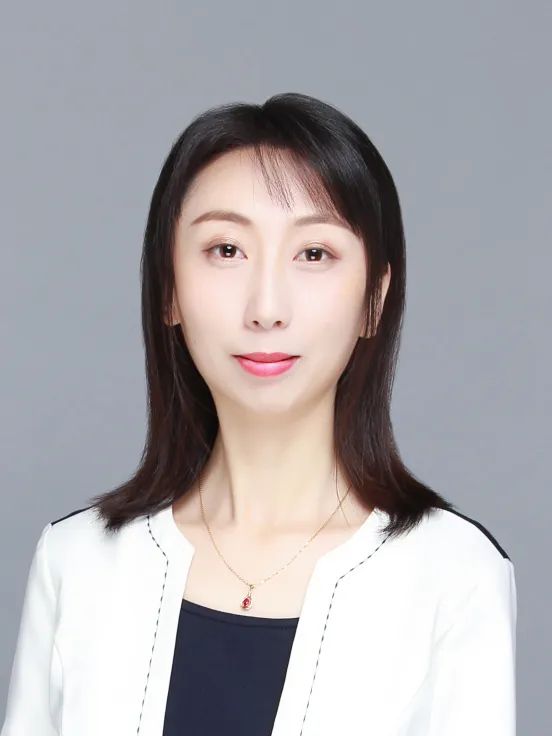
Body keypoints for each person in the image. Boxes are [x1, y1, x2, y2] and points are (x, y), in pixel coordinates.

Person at [1, 92, 517, 735]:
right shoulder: (77, 561)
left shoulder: (453, 574)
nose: (266, 308)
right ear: (169, 290)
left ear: (374, 301)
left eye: (313, 254)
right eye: (226, 250)